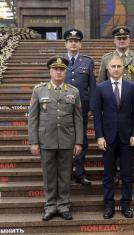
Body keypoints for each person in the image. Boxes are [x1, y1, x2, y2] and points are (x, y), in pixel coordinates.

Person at [28, 56, 83, 221]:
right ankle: (50, 206)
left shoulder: (73, 91)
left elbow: (78, 118)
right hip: (46, 140)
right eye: (55, 69)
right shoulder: (39, 90)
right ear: (50, 71)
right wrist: (34, 141)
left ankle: (64, 205)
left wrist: (79, 141)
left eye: (62, 69)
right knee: (49, 175)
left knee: (65, 175)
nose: (59, 72)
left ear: (66, 71)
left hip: (67, 139)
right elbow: (33, 118)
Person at [99, 25, 134, 185]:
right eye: (119, 38)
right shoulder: (106, 59)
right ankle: (114, 173)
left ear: (129, 40)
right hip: (112, 106)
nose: (121, 41)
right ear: (114, 40)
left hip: (133, 105)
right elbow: (101, 83)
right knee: (112, 141)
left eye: (124, 38)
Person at [93, 55, 134, 219]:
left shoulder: (131, 87)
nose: (115, 69)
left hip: (127, 138)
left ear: (123, 68)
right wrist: (99, 136)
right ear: (108, 69)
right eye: (113, 66)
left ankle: (126, 204)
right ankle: (109, 205)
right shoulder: (100, 88)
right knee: (108, 174)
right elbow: (97, 115)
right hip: (108, 138)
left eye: (119, 66)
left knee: (127, 174)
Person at [64, 28, 96, 186]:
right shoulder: (59, 61)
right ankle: (66, 172)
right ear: (66, 44)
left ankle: (80, 172)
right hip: (62, 109)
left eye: (76, 41)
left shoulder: (87, 62)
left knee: (81, 141)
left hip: (82, 109)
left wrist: (92, 107)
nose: (73, 44)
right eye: (70, 41)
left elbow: (93, 86)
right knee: (64, 141)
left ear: (80, 44)